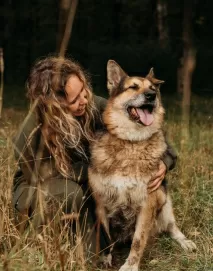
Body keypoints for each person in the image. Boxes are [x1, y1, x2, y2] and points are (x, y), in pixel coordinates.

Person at [12, 56, 177, 252]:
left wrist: (164, 161)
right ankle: (46, 234)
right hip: (43, 184)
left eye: (83, 90)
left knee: (101, 244)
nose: (84, 99)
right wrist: (99, 170)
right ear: (54, 105)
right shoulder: (28, 135)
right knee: (71, 195)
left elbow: (146, 132)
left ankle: (97, 239)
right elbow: (45, 176)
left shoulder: (91, 104)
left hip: (88, 176)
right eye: (75, 100)